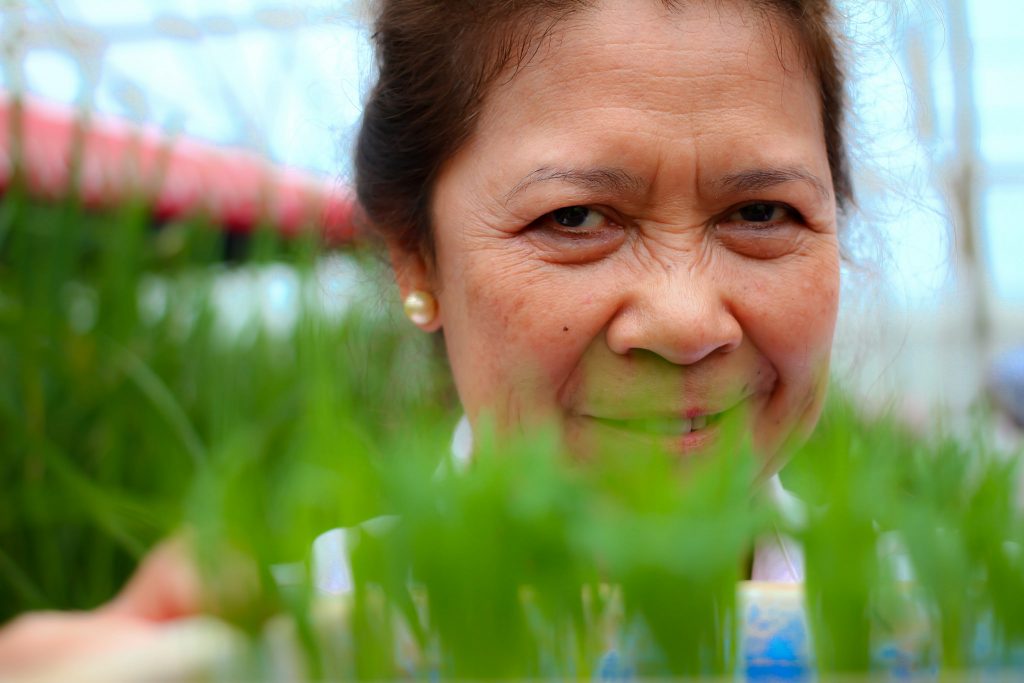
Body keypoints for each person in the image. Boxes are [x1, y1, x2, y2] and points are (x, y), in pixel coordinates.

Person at [0, 0, 851, 673]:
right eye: (577, 217)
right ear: (417, 259)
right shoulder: (304, 639)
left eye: (761, 213)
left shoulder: (941, 627)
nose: (688, 322)